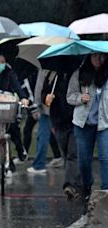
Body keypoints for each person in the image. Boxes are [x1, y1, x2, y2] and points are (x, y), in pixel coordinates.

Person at [67, 53, 108, 206]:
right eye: (95, 56)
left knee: (105, 158)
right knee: (84, 161)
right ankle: (86, 185)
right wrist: (80, 98)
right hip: (83, 124)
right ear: (89, 58)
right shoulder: (79, 74)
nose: (99, 60)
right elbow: (69, 96)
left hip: (104, 124)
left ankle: (105, 191)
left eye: (103, 57)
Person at [42, 71, 82, 200]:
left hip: (75, 120)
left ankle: (70, 185)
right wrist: (46, 98)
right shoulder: (52, 76)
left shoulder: (78, 74)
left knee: (73, 153)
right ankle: (78, 183)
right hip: (58, 120)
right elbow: (44, 94)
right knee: (66, 153)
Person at [27, 70, 62, 174]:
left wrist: (36, 106)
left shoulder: (45, 69)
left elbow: (39, 88)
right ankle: (60, 157)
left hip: (46, 109)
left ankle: (39, 164)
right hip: (60, 109)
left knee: (42, 136)